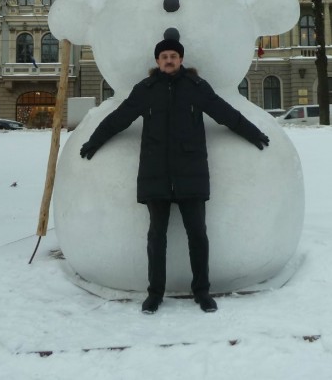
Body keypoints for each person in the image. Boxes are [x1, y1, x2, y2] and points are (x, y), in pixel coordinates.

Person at [79, 38, 270, 314]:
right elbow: (120, 118)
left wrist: (253, 133)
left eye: (173, 56)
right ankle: (155, 293)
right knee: (156, 237)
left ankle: (202, 292)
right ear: (157, 61)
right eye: (164, 56)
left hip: (191, 173)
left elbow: (224, 113)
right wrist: (94, 141)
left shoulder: (196, 87)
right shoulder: (146, 90)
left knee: (198, 235)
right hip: (155, 174)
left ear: (181, 60)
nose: (169, 60)